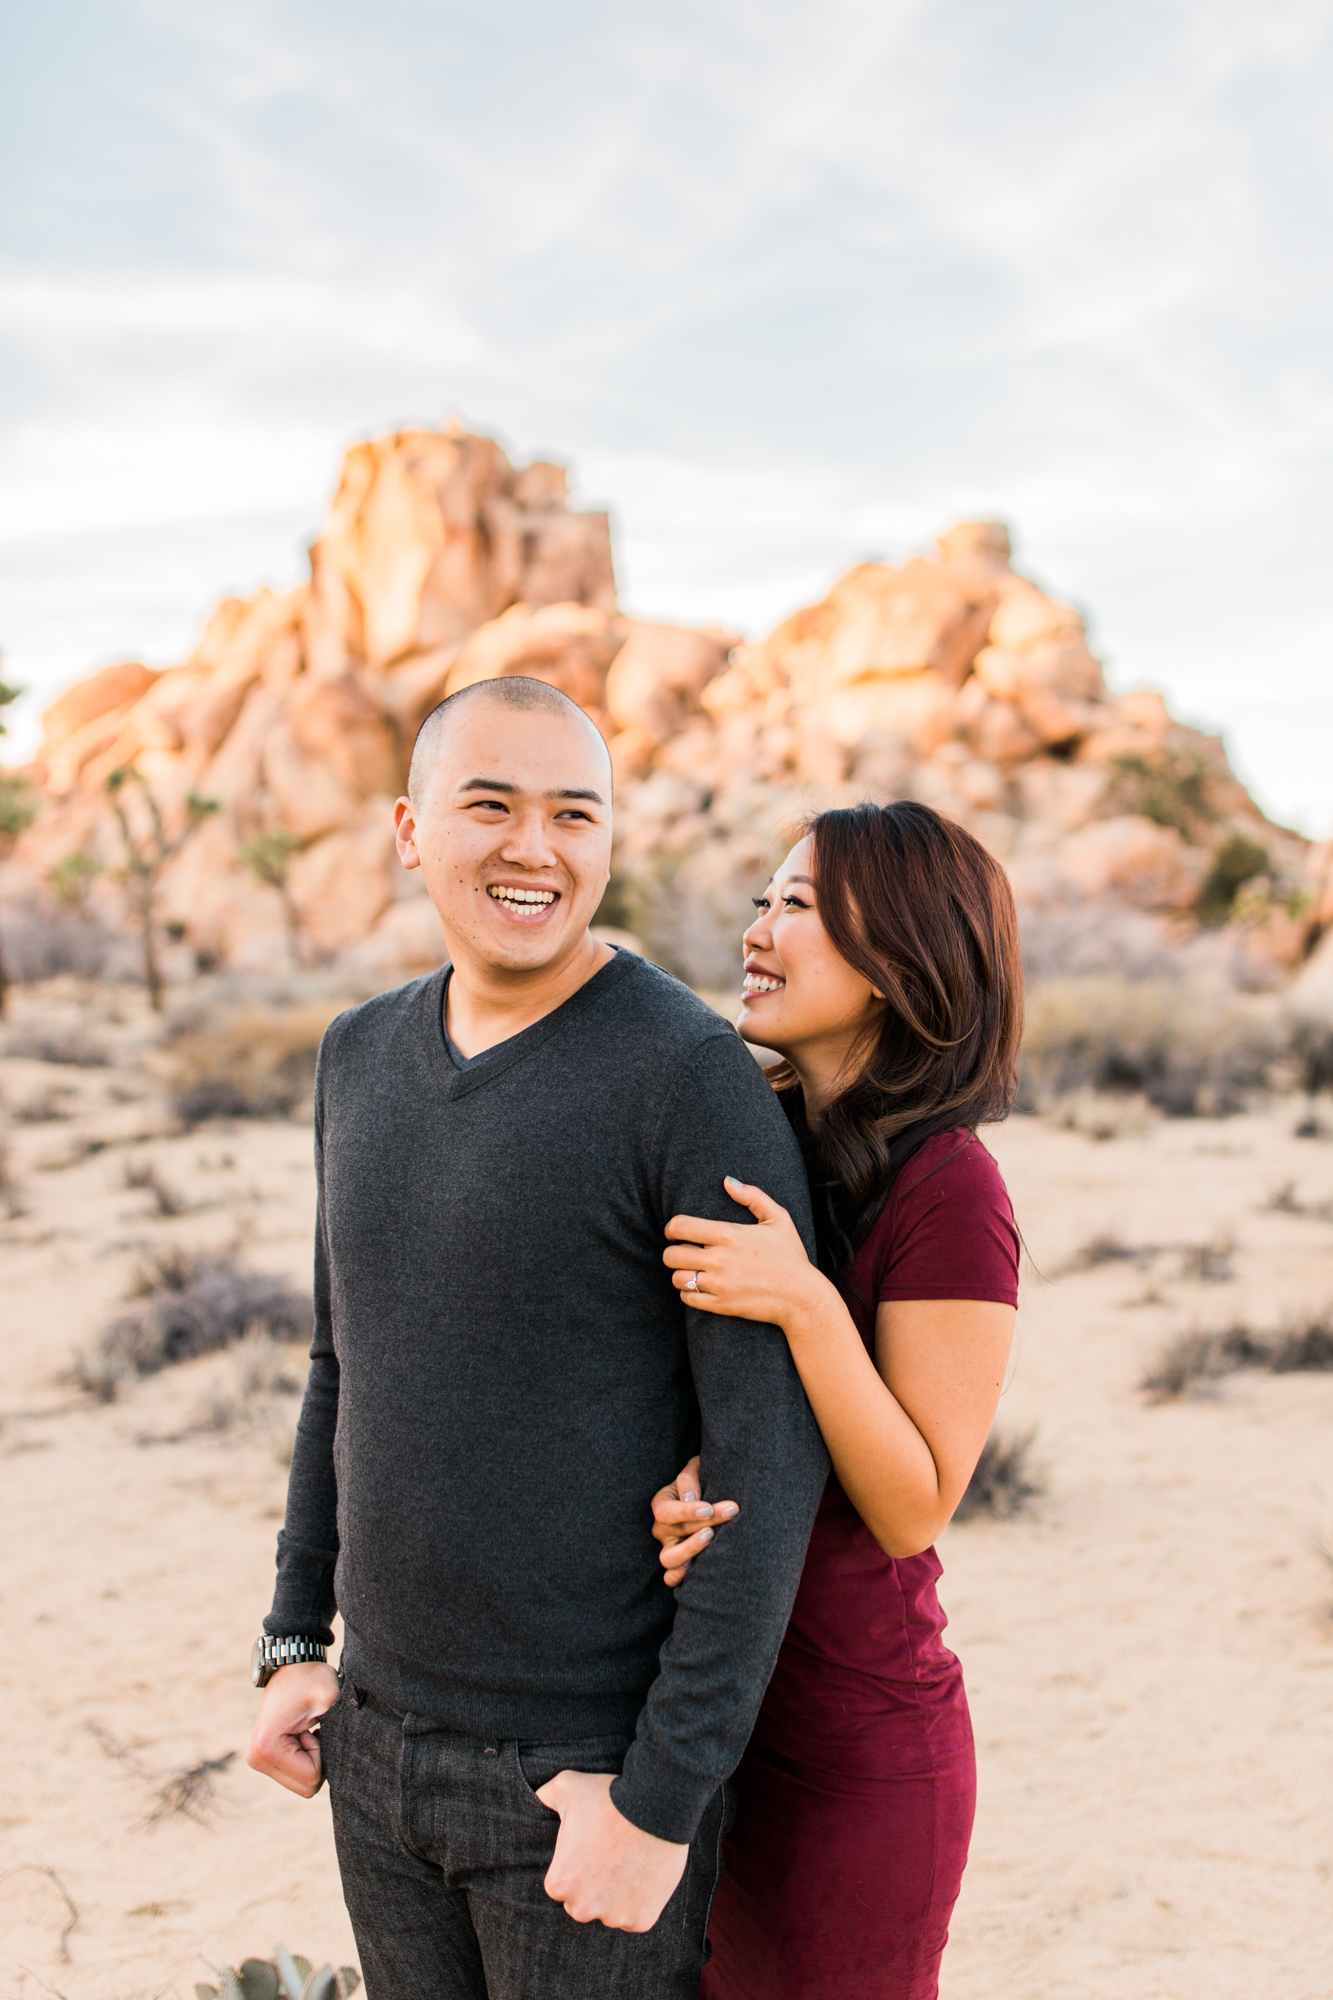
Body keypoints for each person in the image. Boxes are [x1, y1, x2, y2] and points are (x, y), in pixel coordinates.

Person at [245, 676, 829, 2000]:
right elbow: (345, 1371)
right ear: (409, 828)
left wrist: (663, 1799)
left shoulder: (688, 1078)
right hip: (374, 1749)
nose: (535, 850)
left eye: (575, 814)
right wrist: (295, 1643)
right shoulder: (356, 1055)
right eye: (490, 806)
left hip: (582, 1769)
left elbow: (765, 1458)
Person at [651, 800, 1023, 2000]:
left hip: (858, 1747)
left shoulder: (951, 1185)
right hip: (709, 1720)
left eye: (797, 904)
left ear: (899, 952)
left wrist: (808, 1304)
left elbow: (913, 1502)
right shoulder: (755, 1137)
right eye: (760, 898)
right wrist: (682, 1495)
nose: (757, 929)